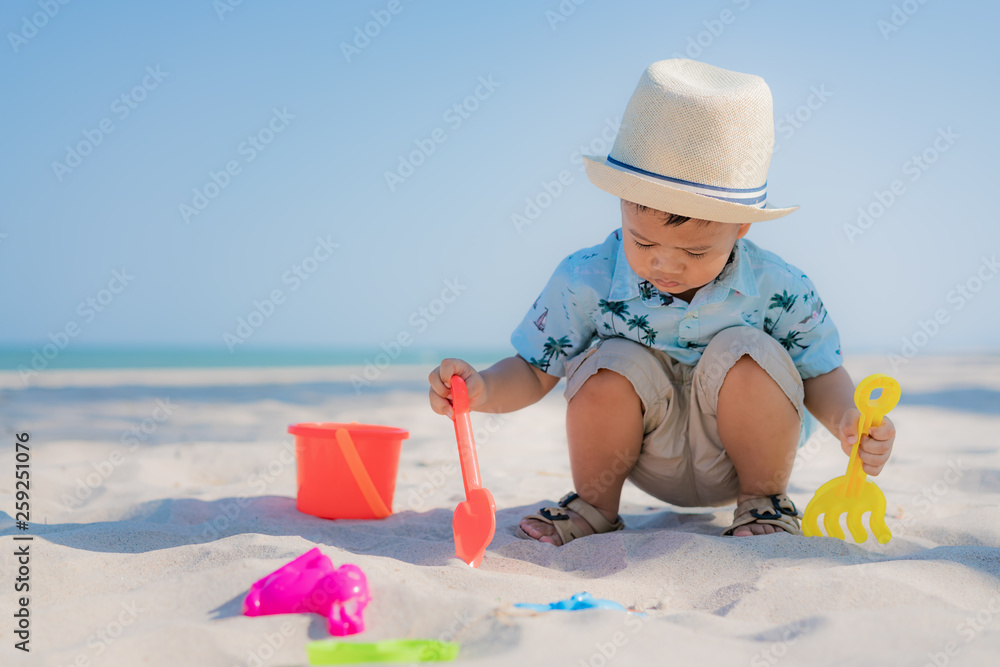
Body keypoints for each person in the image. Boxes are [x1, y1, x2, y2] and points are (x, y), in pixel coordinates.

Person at [427, 59, 897, 544]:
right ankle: (594, 506)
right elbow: (533, 369)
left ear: (741, 228)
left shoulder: (777, 284)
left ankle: (764, 504)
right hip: (639, 455)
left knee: (747, 348)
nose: (664, 266)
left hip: (745, 458)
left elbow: (818, 371)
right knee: (612, 360)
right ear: (622, 207)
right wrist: (481, 388)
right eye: (643, 243)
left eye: (695, 252)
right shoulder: (586, 277)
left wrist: (847, 419)